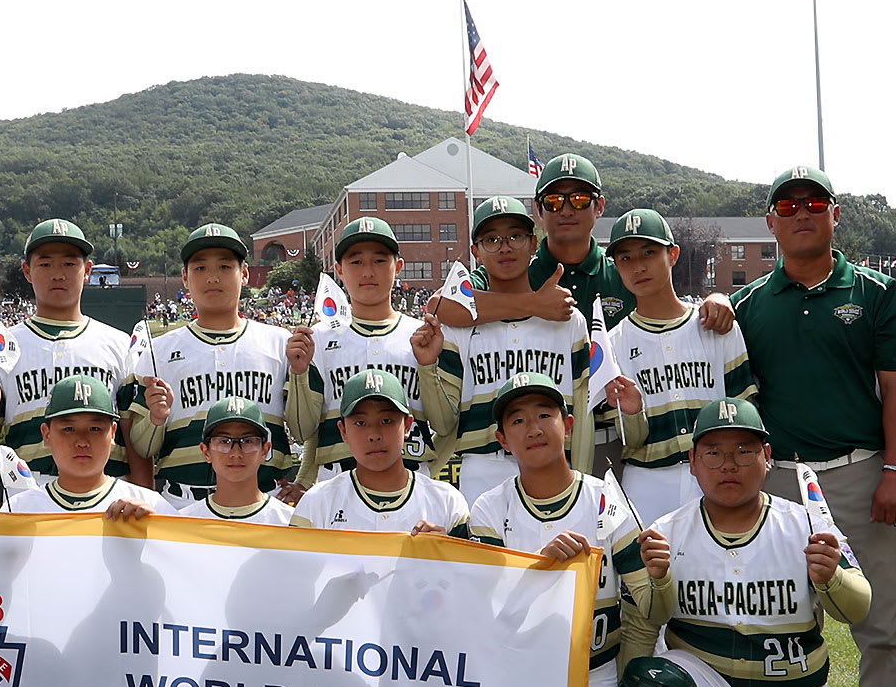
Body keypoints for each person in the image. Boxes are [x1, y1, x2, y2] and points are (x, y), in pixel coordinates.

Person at [616, 397, 896, 687]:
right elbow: (645, 626)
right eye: (712, 452)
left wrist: (831, 577)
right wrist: (657, 581)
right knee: (651, 683)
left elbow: (859, 608)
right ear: (692, 462)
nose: (727, 464)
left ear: (767, 459)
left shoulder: (805, 525)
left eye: (744, 450)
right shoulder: (666, 532)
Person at [732, 166, 896, 687]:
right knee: (782, 630)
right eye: (786, 206)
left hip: (859, 471)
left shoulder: (875, 293)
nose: (800, 212)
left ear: (834, 215)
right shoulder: (749, 304)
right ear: (771, 224)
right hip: (778, 481)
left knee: (881, 627)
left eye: (813, 202)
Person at [429, 153, 736, 470]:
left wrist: (717, 299)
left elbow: (669, 300)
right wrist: (533, 303)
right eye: (553, 200)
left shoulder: (622, 269)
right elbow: (441, 306)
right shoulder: (515, 269)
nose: (565, 210)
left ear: (599, 206)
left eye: (578, 198)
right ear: (539, 210)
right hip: (533, 442)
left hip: (619, 437)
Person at [467, 373, 669, 687]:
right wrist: (544, 570)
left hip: (595, 676)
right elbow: (487, 619)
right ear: (502, 438)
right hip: (522, 683)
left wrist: (661, 577)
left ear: (568, 423)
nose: (533, 428)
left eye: (544, 415)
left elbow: (650, 601)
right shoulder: (490, 509)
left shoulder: (602, 495)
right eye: (517, 420)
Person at [428, 197, 591, 508]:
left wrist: (580, 478)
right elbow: (444, 420)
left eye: (515, 236)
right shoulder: (458, 325)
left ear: (533, 244)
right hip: (483, 466)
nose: (504, 248)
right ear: (475, 251)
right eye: (491, 240)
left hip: (554, 467)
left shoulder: (567, 319)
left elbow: (582, 414)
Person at [600, 209, 757, 526]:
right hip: (647, 480)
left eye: (649, 252)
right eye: (626, 258)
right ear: (615, 266)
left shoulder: (715, 324)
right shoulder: (613, 343)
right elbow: (630, 441)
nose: (639, 266)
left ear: (672, 254)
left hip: (716, 475)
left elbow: (745, 410)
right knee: (650, 572)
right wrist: (633, 412)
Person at [121, 225, 293, 504]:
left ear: (245, 274)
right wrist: (155, 419)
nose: (213, 277)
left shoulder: (280, 343)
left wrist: (307, 482)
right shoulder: (158, 351)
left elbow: (305, 428)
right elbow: (141, 446)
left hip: (266, 500)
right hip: (184, 502)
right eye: (200, 268)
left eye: (225, 266)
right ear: (185, 278)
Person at [285, 217, 447, 486]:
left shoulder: (423, 335)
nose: (368, 272)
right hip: (336, 482)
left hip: (410, 478)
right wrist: (299, 373)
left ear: (399, 266)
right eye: (356, 262)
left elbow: (445, 426)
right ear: (339, 269)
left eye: (380, 260)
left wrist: (428, 367)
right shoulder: (319, 339)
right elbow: (302, 431)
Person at [0, 219, 132, 488]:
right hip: (27, 492)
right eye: (45, 264)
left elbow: (130, 435)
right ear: (27, 271)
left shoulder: (118, 343)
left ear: (88, 270)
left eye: (69, 264)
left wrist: (142, 494)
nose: (57, 274)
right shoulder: (4, 345)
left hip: (107, 495)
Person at [293, 370, 469, 535]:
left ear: (407, 425)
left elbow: (472, 567)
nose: (374, 435)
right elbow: (294, 566)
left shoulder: (447, 501)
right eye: (361, 423)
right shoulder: (317, 503)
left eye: (386, 420)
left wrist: (446, 549)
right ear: (343, 431)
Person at [8, 376, 174, 518]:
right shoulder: (18, 509)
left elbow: (183, 553)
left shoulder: (150, 505)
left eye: (95, 429)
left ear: (113, 433)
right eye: (68, 429)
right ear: (47, 434)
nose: (82, 442)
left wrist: (154, 529)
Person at [178, 397, 295, 524]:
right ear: (206, 452)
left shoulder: (291, 523)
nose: (236, 453)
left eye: (248, 441)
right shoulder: (182, 525)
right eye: (224, 441)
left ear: (265, 450)